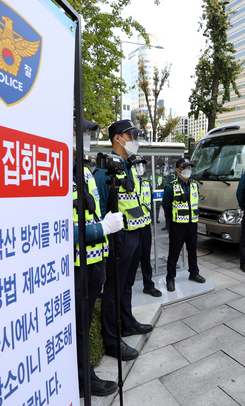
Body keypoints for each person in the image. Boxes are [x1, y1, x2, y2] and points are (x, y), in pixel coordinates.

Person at [93, 120, 153, 362]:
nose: (135, 140)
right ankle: (111, 340)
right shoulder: (104, 170)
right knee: (113, 288)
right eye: (132, 135)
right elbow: (98, 210)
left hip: (135, 234)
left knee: (127, 283)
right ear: (118, 138)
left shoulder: (128, 166)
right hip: (119, 238)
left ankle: (126, 322)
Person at [72, 149, 121, 397]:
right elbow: (56, 229)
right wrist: (101, 229)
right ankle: (83, 381)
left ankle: (84, 375)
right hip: (74, 266)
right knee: (78, 324)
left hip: (92, 261)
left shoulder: (84, 172)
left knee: (83, 321)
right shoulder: (60, 172)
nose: (85, 141)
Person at [162, 158, 206, 291]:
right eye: (184, 167)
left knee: (192, 251)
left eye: (189, 167)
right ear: (177, 170)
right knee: (174, 253)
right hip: (178, 225)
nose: (188, 170)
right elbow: (166, 206)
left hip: (192, 224)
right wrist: (172, 220)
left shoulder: (194, 185)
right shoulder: (171, 186)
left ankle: (194, 273)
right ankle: (170, 279)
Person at [129, 155, 162, 297]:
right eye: (136, 165)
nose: (140, 168)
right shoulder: (127, 183)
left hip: (145, 227)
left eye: (141, 165)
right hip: (132, 228)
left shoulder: (147, 184)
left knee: (146, 258)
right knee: (132, 261)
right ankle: (126, 288)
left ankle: (148, 285)